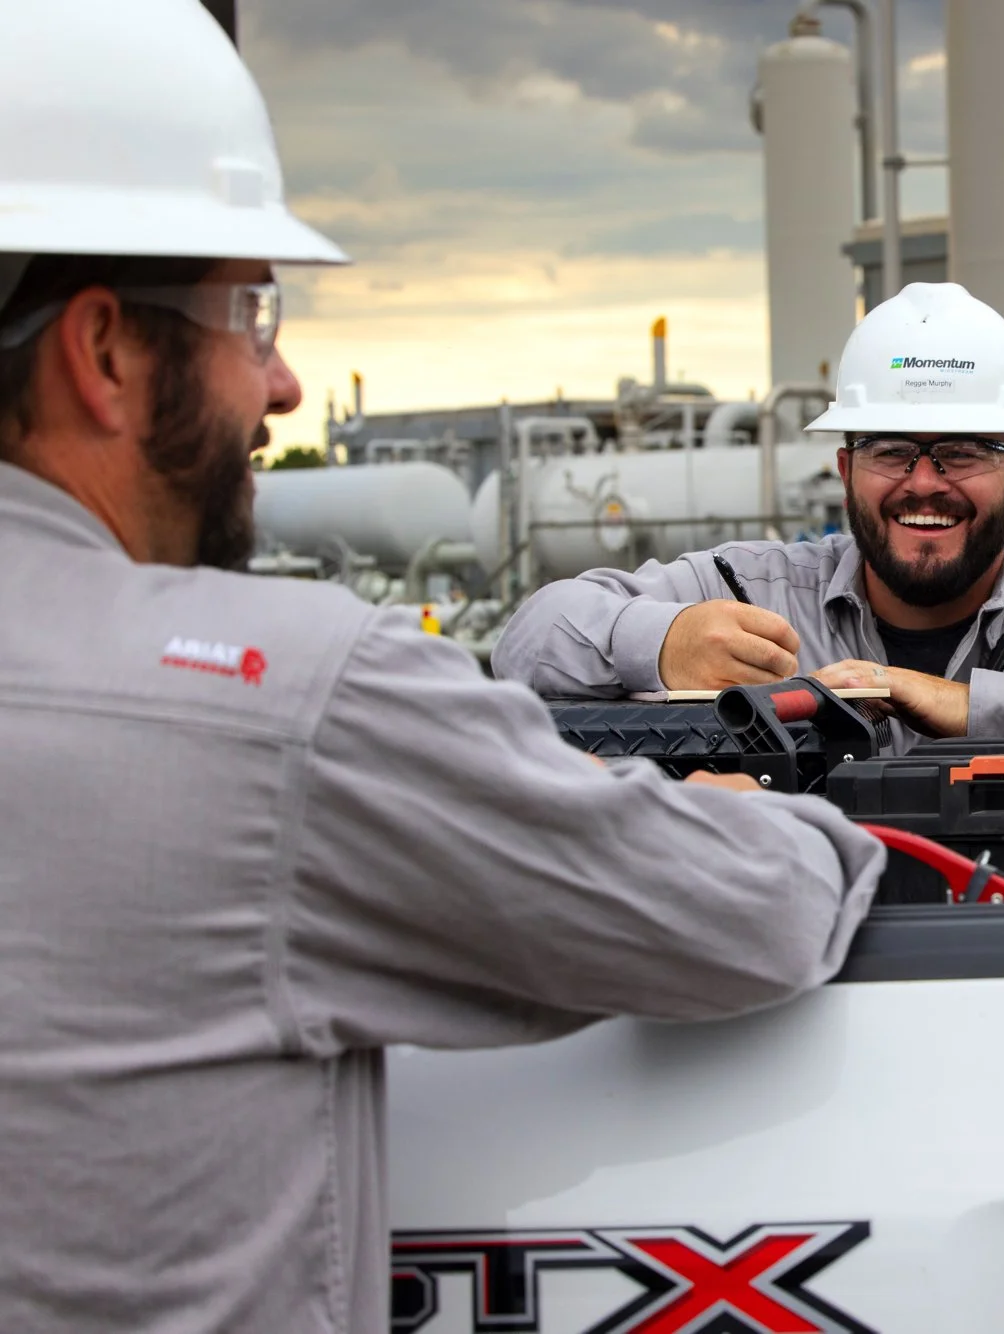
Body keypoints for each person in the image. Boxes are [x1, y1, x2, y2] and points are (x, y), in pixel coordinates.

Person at [0, 4, 884, 1330]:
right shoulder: (284, 708)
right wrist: (771, 828)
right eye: (253, 311)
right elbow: (734, 915)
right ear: (105, 350)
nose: (284, 383)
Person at [492, 282, 1004, 741]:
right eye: (892, 451)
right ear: (846, 472)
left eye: (963, 450)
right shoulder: (749, 592)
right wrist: (661, 641)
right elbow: (525, 643)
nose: (924, 483)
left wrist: (976, 705)